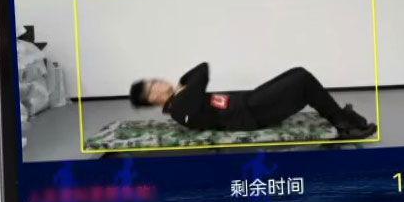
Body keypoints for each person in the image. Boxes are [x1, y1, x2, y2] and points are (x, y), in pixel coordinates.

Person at [129, 63, 377, 139]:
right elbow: (202, 71)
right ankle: (342, 123)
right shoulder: (179, 107)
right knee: (301, 79)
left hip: (249, 101)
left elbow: (198, 73)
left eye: (154, 81)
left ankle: (339, 118)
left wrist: (182, 82)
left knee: (299, 74)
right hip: (251, 113)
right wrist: (184, 83)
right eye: (153, 87)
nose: (159, 82)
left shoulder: (180, 98)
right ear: (153, 99)